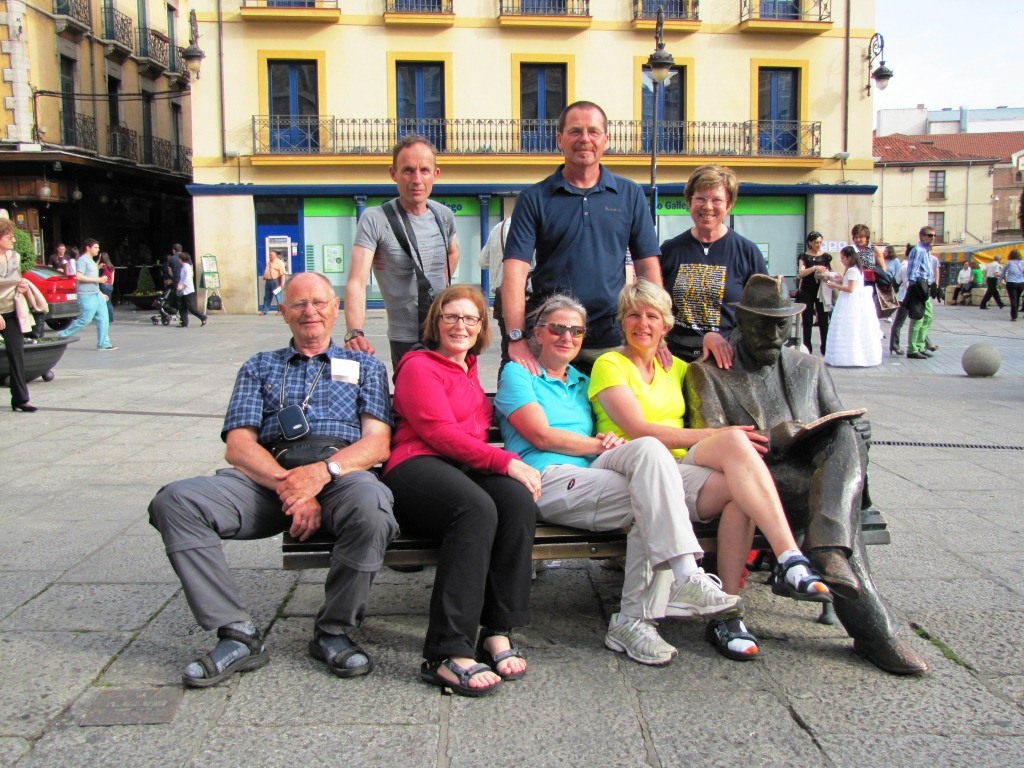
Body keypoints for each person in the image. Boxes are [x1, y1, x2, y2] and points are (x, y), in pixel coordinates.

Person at [148, 273, 399, 687]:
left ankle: (333, 630)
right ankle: (236, 632)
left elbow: (378, 443)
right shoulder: (259, 366)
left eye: (319, 302)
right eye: (298, 304)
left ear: (336, 308)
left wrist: (319, 476)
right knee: (176, 501)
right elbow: (239, 445)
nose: (310, 312)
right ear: (282, 313)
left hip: (339, 475)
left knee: (373, 507)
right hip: (266, 479)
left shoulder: (365, 366)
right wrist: (291, 485)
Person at [684, 275, 929, 675]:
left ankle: (829, 552)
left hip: (820, 481)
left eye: (783, 324)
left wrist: (860, 433)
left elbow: (835, 424)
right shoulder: (707, 373)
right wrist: (774, 439)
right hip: (754, 483)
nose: (776, 334)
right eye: (764, 324)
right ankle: (872, 627)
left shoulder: (809, 367)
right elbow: (709, 447)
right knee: (833, 510)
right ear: (742, 321)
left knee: (847, 435)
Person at [496, 293, 749, 667]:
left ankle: (642, 616)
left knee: (649, 461)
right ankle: (663, 595)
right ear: (538, 332)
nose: (567, 336)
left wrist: (680, 342)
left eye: (576, 330)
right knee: (652, 494)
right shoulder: (518, 372)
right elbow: (541, 435)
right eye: (557, 328)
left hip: (594, 479)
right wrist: (598, 442)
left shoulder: (583, 380)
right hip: (545, 479)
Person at [588, 280, 831, 662]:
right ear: (622, 321)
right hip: (630, 465)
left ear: (666, 326)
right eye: (633, 315)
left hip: (681, 470)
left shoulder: (678, 369)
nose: (642, 324)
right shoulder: (610, 364)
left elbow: (721, 379)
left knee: (739, 488)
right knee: (729, 441)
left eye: (652, 316)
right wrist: (715, 433)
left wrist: (714, 340)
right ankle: (786, 562)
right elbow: (637, 430)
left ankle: (740, 605)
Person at [382, 285, 538, 696]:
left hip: (459, 467)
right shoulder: (418, 365)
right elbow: (438, 432)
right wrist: (505, 461)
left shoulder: (468, 369)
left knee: (516, 501)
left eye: (471, 319)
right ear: (435, 322)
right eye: (451, 316)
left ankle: (497, 629)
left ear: (481, 328)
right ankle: (446, 653)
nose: (461, 325)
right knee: (476, 508)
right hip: (415, 466)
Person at [501, 100, 661, 376]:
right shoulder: (534, 198)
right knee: (546, 414)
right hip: (551, 336)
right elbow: (514, 272)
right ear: (560, 139)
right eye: (575, 131)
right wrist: (516, 338)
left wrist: (654, 331)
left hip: (611, 336)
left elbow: (648, 268)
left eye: (593, 131)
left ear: (606, 140)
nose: (584, 139)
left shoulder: (630, 195)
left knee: (611, 416)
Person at [345, 134, 459, 367]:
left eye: (424, 170)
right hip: (405, 338)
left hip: (446, 332)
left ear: (435, 174)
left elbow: (453, 251)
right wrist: (354, 331)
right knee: (413, 400)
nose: (417, 179)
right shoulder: (375, 219)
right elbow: (357, 281)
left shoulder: (443, 215)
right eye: (408, 170)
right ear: (393, 173)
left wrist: (435, 284)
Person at [658, 164, 767, 366]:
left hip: (726, 360)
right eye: (700, 198)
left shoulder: (747, 252)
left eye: (717, 200)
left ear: (729, 204)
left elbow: (761, 314)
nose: (708, 206)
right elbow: (654, 305)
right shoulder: (670, 250)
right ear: (689, 201)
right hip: (674, 360)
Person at [823, 246, 882, 367]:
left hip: (850, 301)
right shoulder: (855, 269)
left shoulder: (852, 270)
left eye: (843, 258)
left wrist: (835, 285)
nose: (841, 260)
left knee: (848, 327)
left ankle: (848, 357)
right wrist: (840, 280)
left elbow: (850, 288)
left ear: (849, 258)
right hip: (853, 300)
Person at [0, 219, 37, 412]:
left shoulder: (14, 256)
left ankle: (20, 399)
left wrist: (21, 286)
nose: (14, 239)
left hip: (12, 309)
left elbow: (16, 279)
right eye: (9, 236)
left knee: (17, 354)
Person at [58, 238, 116, 351]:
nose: (97, 250)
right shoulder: (82, 260)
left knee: (104, 318)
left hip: (96, 294)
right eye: (95, 247)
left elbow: (93, 281)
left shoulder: (93, 262)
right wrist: (99, 280)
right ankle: (63, 334)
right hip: (86, 295)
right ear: (88, 248)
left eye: (98, 248)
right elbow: (78, 277)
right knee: (85, 319)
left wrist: (100, 293)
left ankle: (103, 343)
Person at [795, 230, 832, 355]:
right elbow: (801, 273)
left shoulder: (825, 256)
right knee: (807, 320)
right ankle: (807, 347)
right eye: (816, 242)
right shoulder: (804, 257)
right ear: (810, 243)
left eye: (820, 242)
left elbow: (830, 272)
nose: (819, 245)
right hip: (807, 290)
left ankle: (825, 347)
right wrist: (814, 268)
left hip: (821, 289)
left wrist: (825, 275)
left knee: (823, 319)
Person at [904, 227, 936, 360]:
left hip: (925, 285)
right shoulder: (918, 250)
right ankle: (912, 349)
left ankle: (920, 345)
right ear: (922, 236)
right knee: (917, 318)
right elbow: (912, 270)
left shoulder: (926, 251)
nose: (932, 238)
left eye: (934, 235)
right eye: (929, 235)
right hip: (918, 285)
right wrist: (913, 285)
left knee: (928, 317)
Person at [176, 252, 208, 328]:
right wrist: (179, 285)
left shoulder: (187, 267)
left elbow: (188, 278)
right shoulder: (183, 267)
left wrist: (182, 286)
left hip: (188, 290)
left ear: (181, 259)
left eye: (179, 258)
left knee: (190, 306)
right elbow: (182, 278)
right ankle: (184, 323)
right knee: (182, 306)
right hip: (183, 290)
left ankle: (202, 317)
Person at [888, 254, 911, 356]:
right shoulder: (906, 267)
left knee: (919, 320)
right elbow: (907, 284)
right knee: (899, 322)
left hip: (904, 296)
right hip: (905, 297)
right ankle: (894, 344)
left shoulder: (902, 265)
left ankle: (926, 343)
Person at [259, 249, 287, 315]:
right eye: (269, 254)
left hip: (275, 281)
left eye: (271, 254)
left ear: (275, 255)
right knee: (267, 297)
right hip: (268, 282)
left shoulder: (279, 263)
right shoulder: (269, 262)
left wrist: (282, 283)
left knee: (278, 296)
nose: (270, 256)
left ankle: (280, 311)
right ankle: (265, 310)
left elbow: (282, 274)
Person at [1004, 250, 1024, 322]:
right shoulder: (1023, 263)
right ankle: (1016, 314)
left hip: (1011, 282)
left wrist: (1001, 280)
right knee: (1017, 297)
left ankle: (1014, 315)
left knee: (1013, 299)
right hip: (1021, 283)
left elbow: (1003, 273)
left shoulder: (1009, 263)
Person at [163, 244, 182, 315]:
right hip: (185, 283)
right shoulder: (187, 257)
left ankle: (171, 308)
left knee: (174, 296)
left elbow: (169, 271)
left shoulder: (172, 259)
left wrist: (174, 278)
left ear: (173, 250)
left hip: (176, 281)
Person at [97, 251, 116, 323]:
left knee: (104, 302)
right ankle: (111, 318)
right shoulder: (111, 266)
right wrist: (111, 284)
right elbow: (112, 277)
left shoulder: (102, 265)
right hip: (110, 285)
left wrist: (98, 260)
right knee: (109, 302)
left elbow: (94, 269)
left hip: (104, 284)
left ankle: (107, 318)